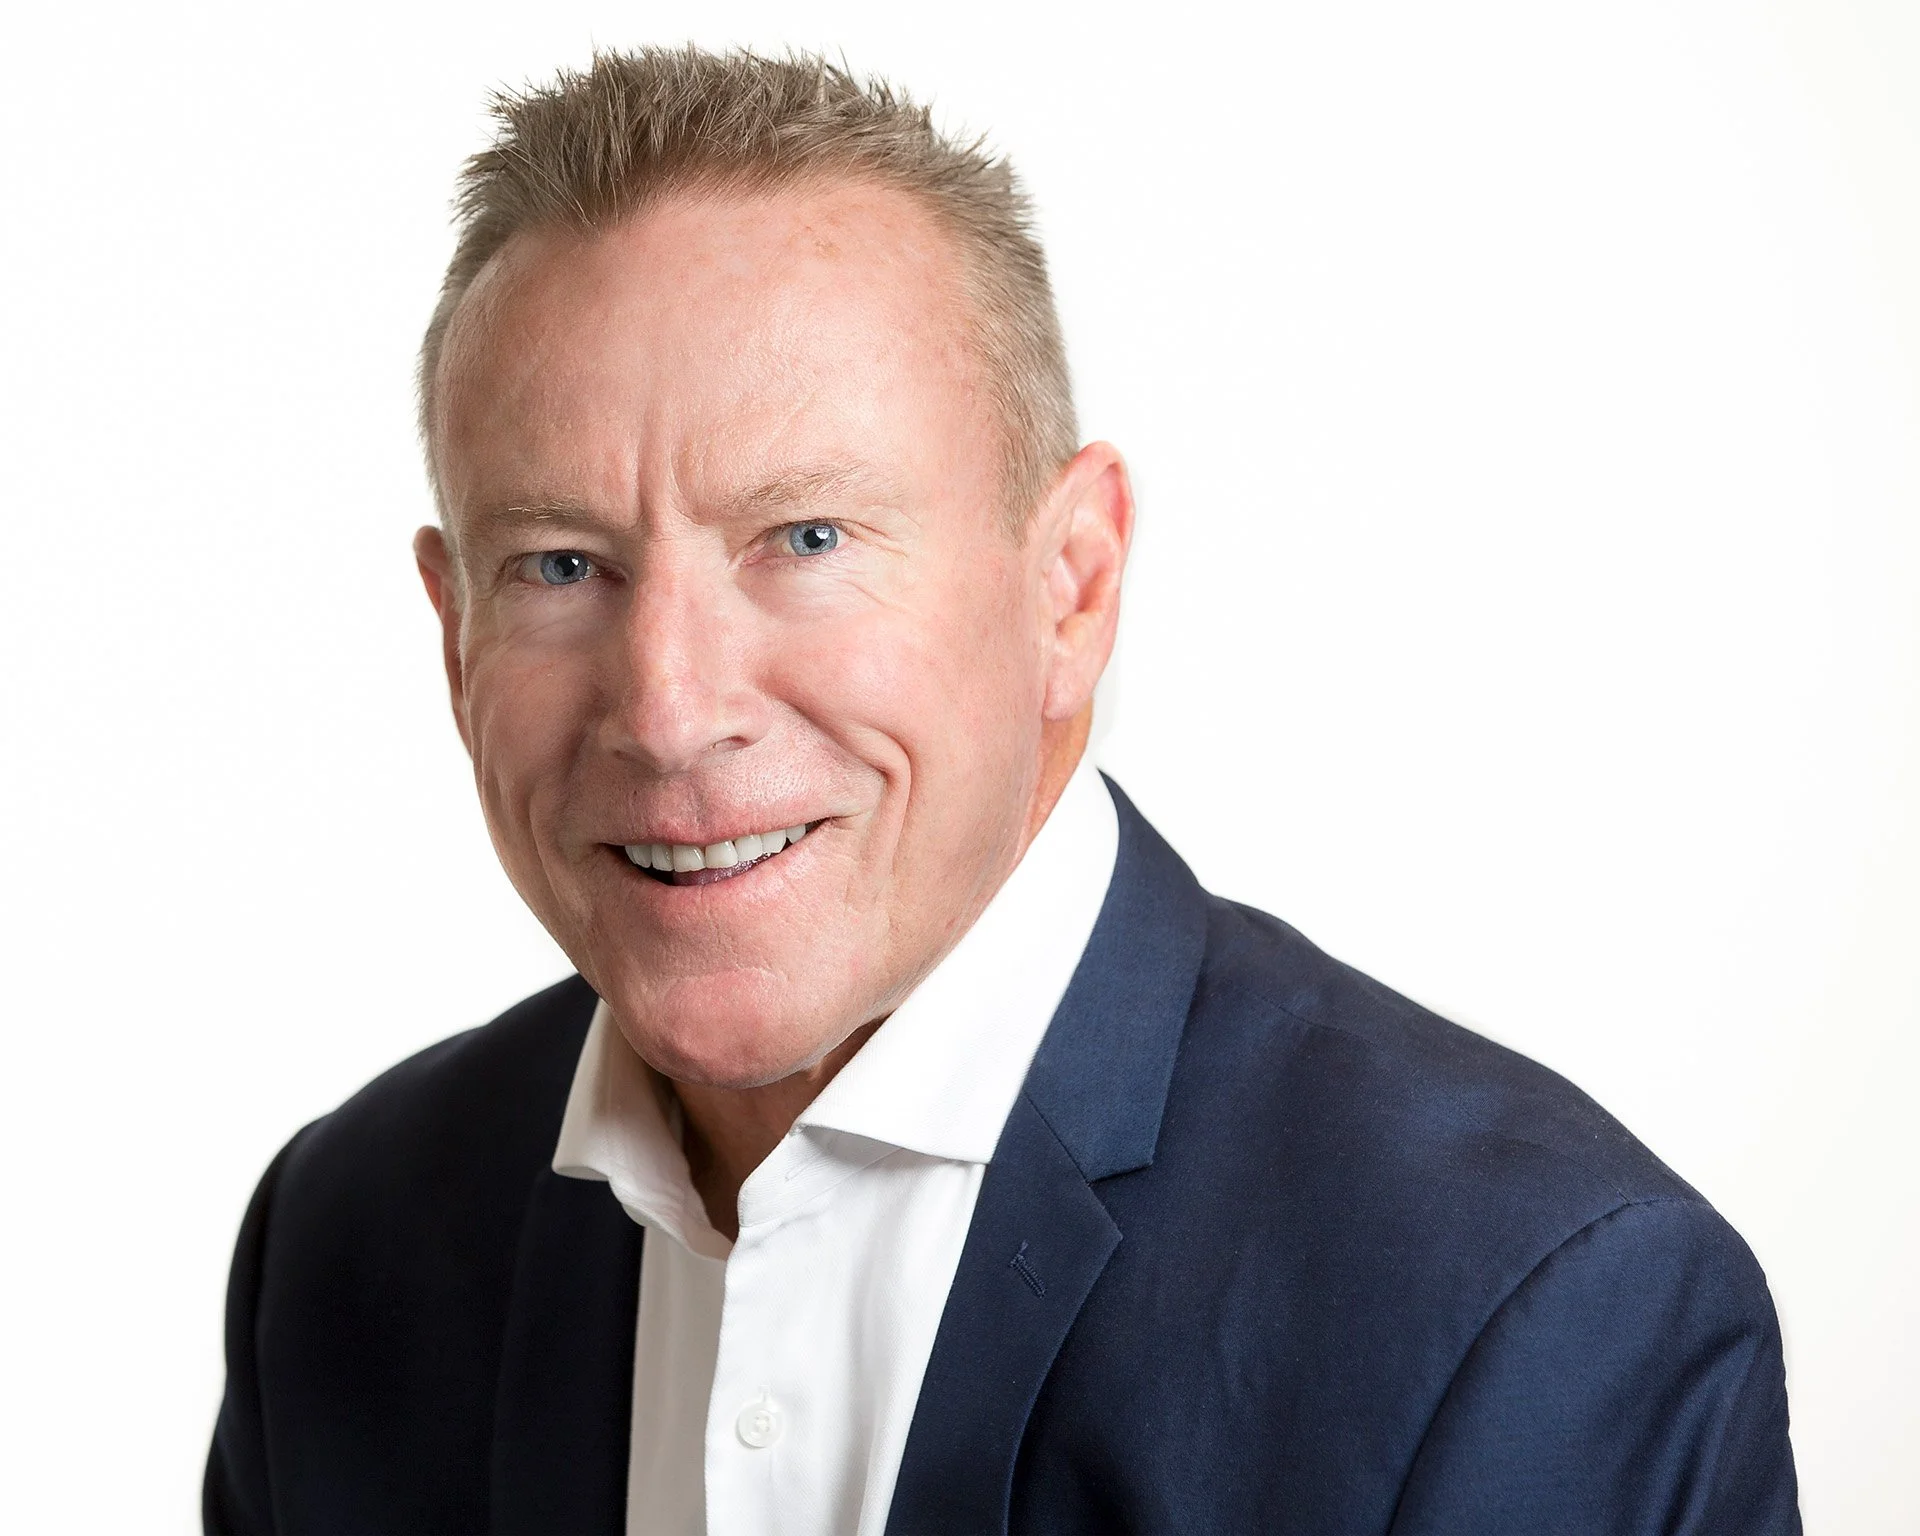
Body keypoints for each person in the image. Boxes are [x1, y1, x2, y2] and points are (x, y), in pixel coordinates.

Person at [204, 46, 1800, 1536]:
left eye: (806, 538)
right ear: (453, 631)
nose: (670, 709)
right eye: (561, 565)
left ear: (1072, 585)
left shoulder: (1533, 1317)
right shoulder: (341, 1250)